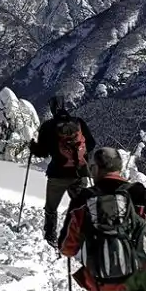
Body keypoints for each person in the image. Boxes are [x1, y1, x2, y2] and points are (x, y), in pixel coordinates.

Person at [60, 147, 146, 291]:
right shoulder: (141, 195)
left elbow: (66, 247)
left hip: (99, 287)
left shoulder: (84, 199)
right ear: (119, 168)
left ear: (96, 169)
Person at [31, 97, 96, 247]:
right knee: (81, 206)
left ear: (52, 109)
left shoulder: (48, 126)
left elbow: (42, 152)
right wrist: (80, 156)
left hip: (57, 175)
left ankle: (50, 237)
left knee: (51, 208)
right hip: (79, 173)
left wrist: (33, 147)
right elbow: (91, 143)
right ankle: (85, 237)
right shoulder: (78, 122)